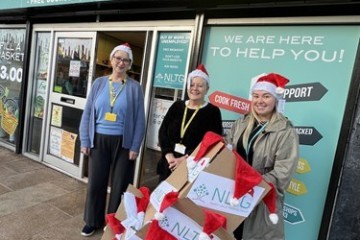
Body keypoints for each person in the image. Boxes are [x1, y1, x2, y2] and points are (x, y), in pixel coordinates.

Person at [79, 43, 145, 237]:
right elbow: (88, 112)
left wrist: (135, 146)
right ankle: (92, 221)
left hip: (124, 143)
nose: (121, 62)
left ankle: (114, 222)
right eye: (118, 58)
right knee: (96, 183)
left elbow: (140, 119)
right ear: (111, 60)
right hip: (98, 139)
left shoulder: (134, 88)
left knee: (120, 185)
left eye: (126, 60)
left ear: (130, 64)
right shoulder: (99, 83)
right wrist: (85, 140)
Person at [226, 73, 299, 240]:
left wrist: (251, 185)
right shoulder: (241, 124)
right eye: (256, 96)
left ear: (275, 99)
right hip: (233, 196)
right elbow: (227, 152)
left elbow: (283, 172)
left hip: (262, 202)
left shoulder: (285, 131)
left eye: (266, 96)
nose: (260, 101)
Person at [157, 64, 223, 182]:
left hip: (192, 167)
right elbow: (163, 131)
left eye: (200, 86)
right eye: (192, 85)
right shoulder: (177, 106)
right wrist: (169, 155)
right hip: (168, 163)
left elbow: (212, 143)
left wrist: (184, 159)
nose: (195, 88)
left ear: (207, 88)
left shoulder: (212, 111)